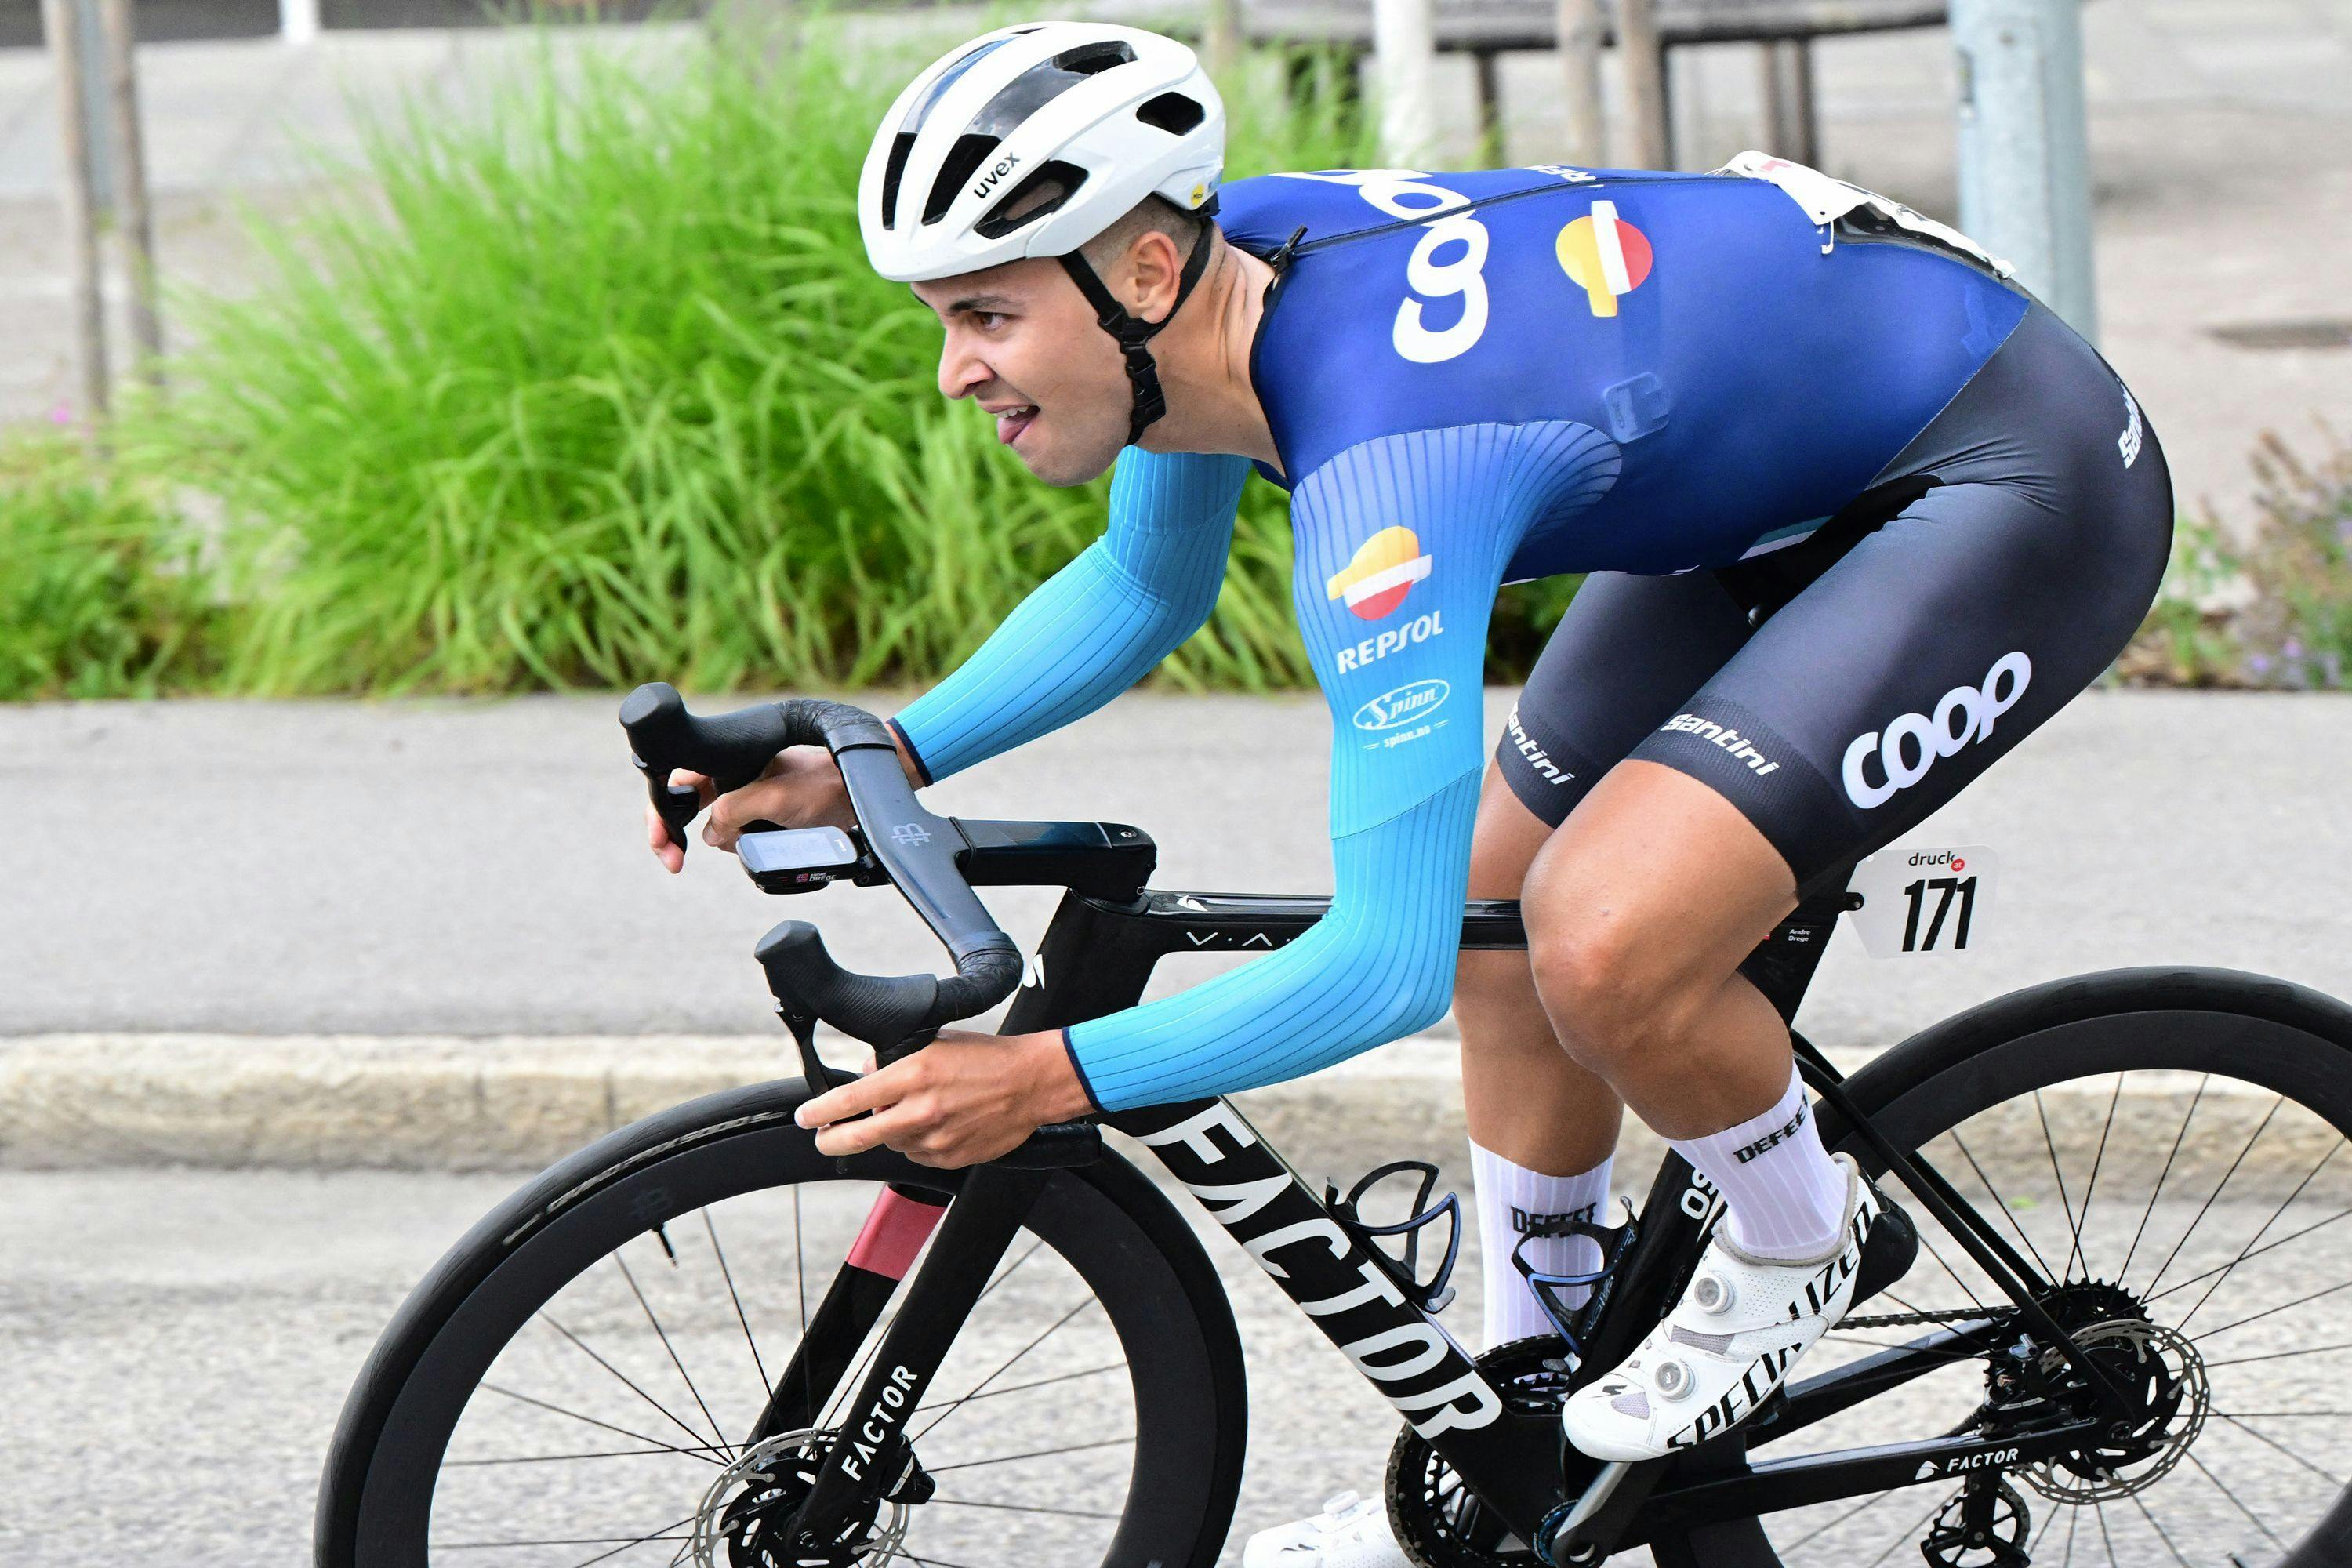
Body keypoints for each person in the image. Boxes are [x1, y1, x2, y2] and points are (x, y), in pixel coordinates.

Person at [643, 20, 2174, 1563]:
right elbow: (1138, 586)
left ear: (1143, 277)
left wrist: (1045, 1082)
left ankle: (1804, 1227)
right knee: (1497, 910)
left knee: (1600, 937)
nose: (954, 367)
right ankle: (1526, 1434)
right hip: (1780, 479)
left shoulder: (1390, 472)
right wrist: (876, 762)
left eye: (986, 314)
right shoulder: (1199, 297)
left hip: (2004, 479)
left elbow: (1370, 968)